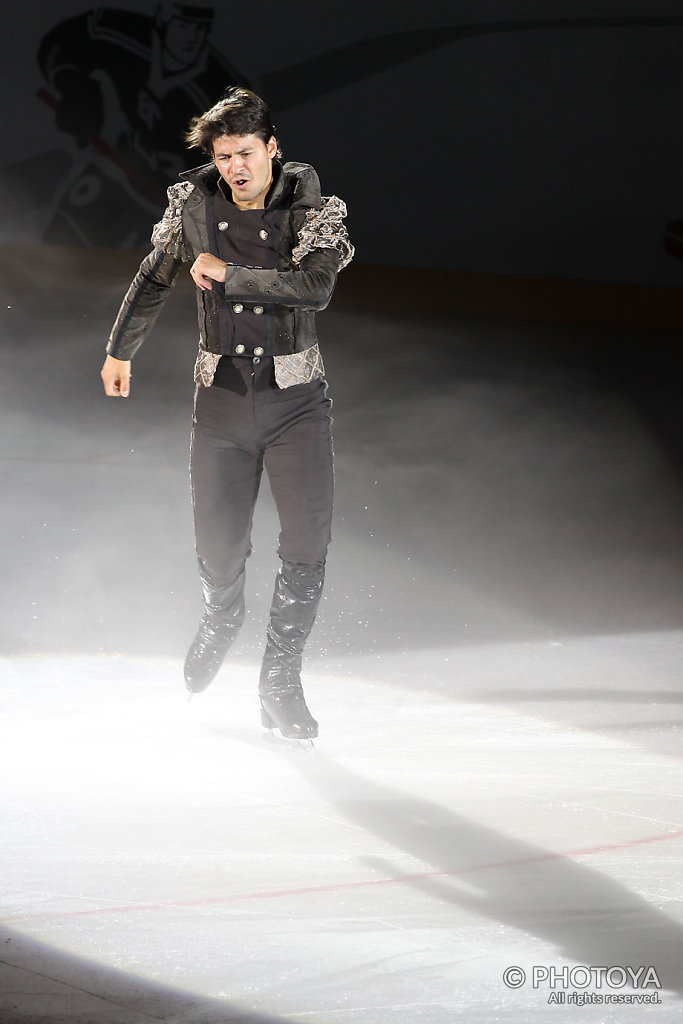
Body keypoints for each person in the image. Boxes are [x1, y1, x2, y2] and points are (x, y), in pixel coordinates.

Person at [101, 86, 353, 739]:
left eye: (246, 152)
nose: (236, 167)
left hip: (296, 403)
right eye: (224, 155)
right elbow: (156, 277)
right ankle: (222, 614)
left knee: (305, 543)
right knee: (218, 547)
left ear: (271, 148)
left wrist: (227, 274)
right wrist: (120, 352)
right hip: (219, 406)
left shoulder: (312, 212)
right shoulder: (193, 207)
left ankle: (278, 681)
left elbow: (315, 288)